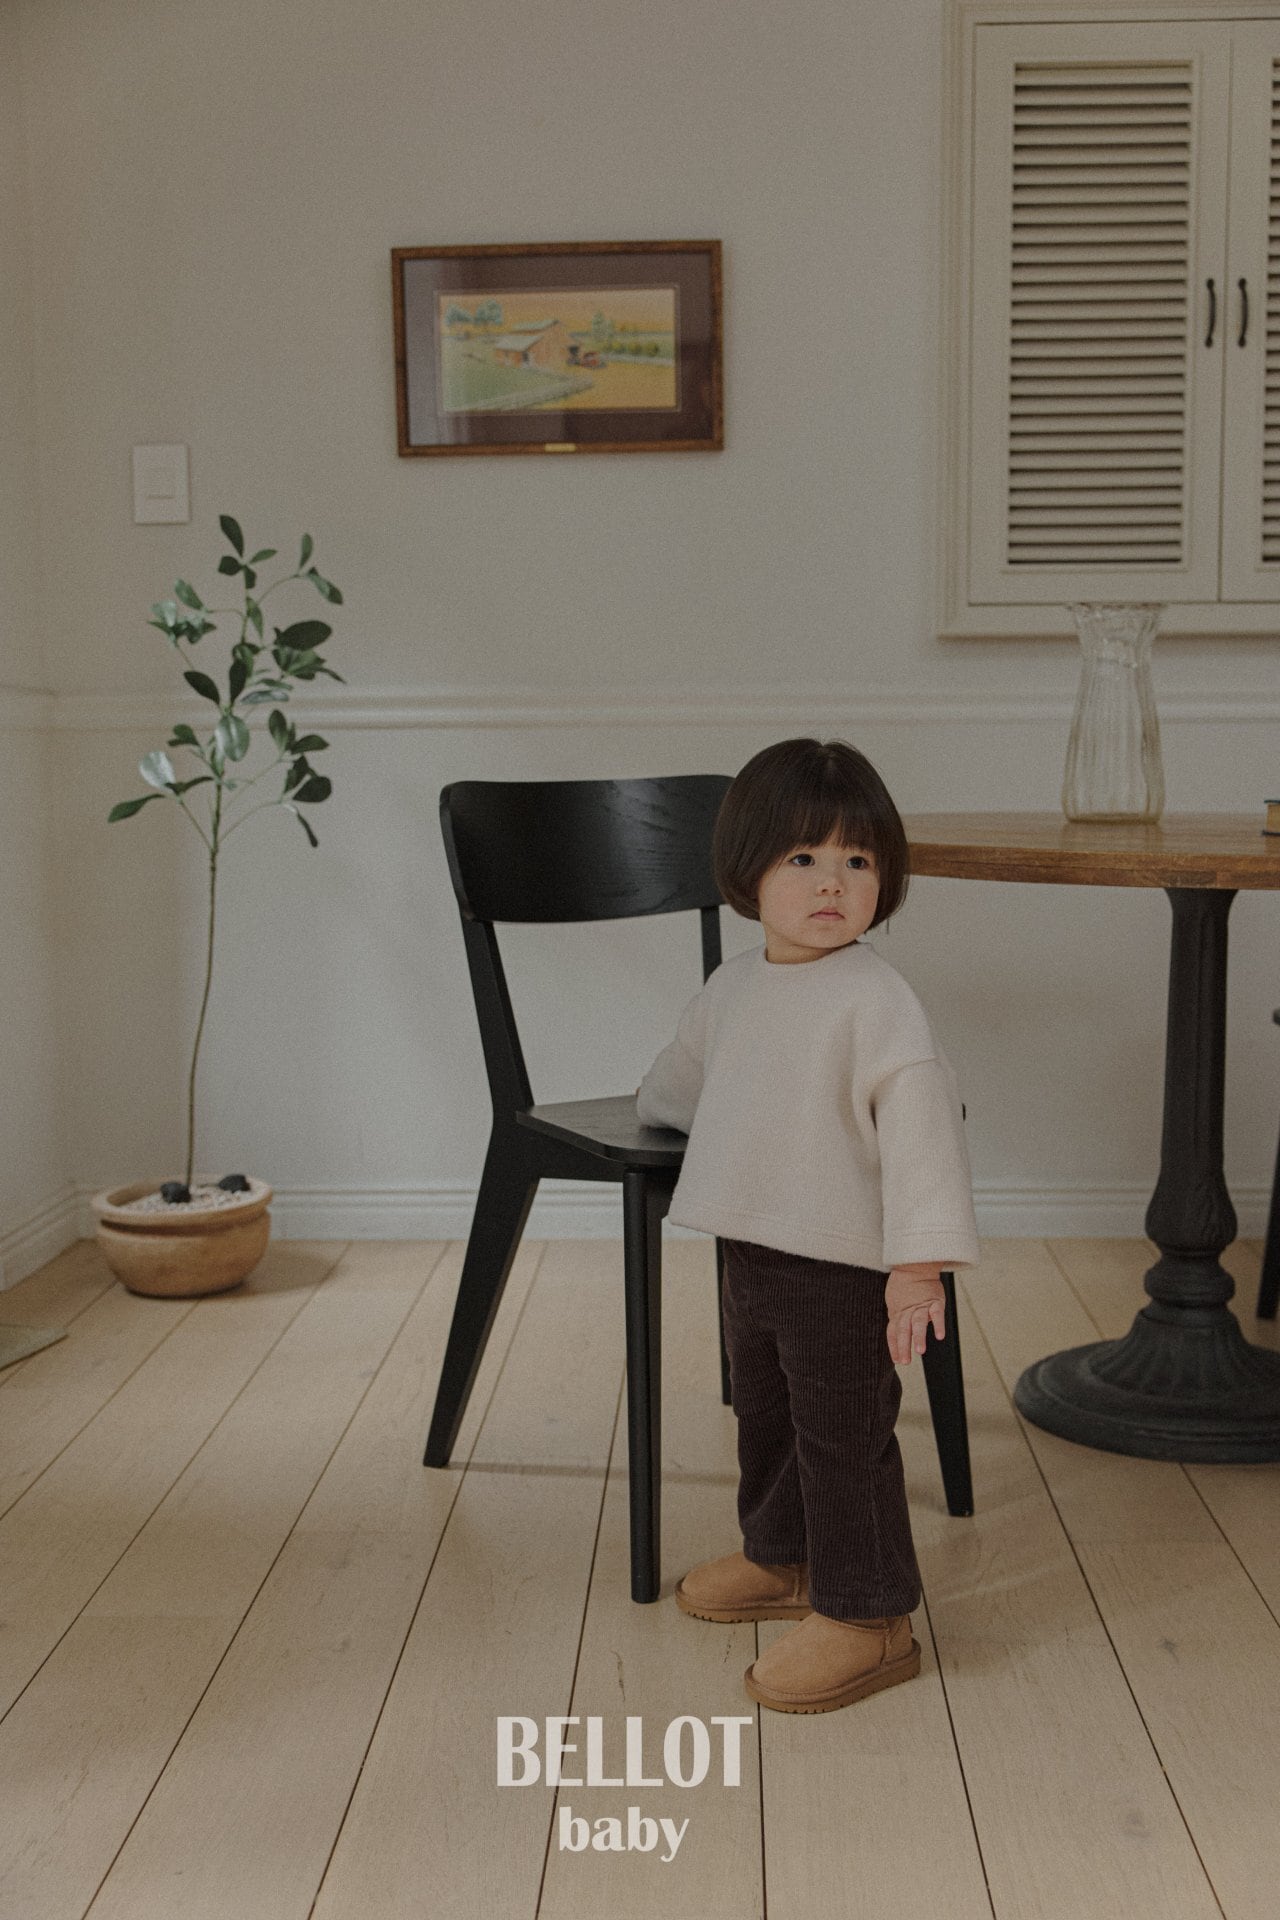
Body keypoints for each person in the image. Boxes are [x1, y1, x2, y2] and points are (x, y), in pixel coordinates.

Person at [636, 737, 979, 1715]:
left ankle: (869, 1614)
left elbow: (923, 1141)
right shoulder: (734, 986)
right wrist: (658, 1113)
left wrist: (917, 1268)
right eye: (803, 857)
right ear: (747, 869)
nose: (832, 882)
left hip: (840, 1263)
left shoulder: (877, 1003)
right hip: (749, 1247)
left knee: (842, 1436)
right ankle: (781, 1554)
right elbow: (679, 1083)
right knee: (766, 1413)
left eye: (856, 860)